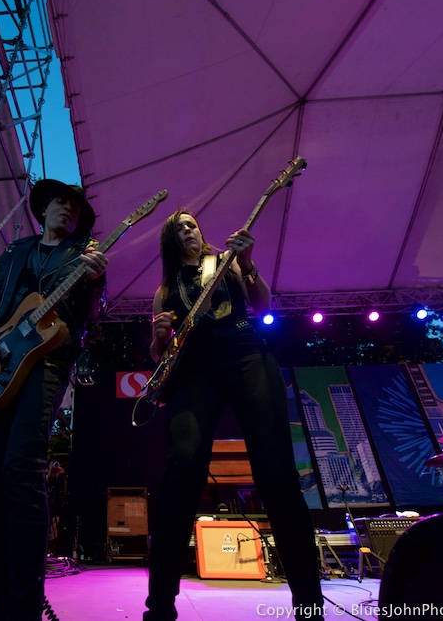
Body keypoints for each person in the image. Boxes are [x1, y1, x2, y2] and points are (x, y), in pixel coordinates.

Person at [144, 210, 324, 621]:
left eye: (191, 224)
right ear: (169, 241)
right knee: (183, 470)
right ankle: (159, 608)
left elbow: (263, 306)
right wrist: (157, 338)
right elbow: (159, 357)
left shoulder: (225, 261)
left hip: (246, 354)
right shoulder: (164, 289)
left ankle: (310, 606)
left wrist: (248, 264)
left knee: (277, 474)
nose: (187, 230)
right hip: (193, 371)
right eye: (178, 228)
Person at [0, 179, 106, 621]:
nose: (68, 210)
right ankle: (2, 602)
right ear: (42, 210)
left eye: (75, 207)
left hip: (48, 359)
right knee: (2, 480)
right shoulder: (16, 251)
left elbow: (86, 316)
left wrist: (95, 282)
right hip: (0, 363)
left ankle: (23, 608)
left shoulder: (82, 255)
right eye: (61, 203)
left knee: (25, 467)